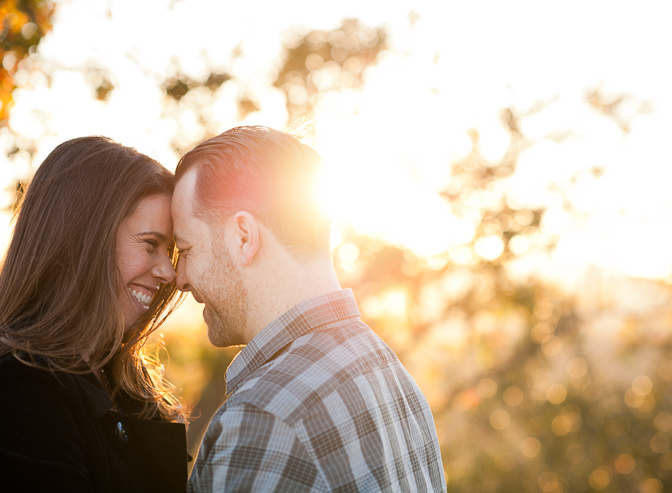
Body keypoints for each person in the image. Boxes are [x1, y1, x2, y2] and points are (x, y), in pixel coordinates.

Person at [173, 126, 446, 492]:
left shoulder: (264, 420)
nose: (180, 278)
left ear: (243, 237)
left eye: (186, 250)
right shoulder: (390, 376)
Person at [0, 136, 189, 492]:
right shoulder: (21, 389)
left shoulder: (131, 390)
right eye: (150, 245)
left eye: (171, 251)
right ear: (85, 239)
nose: (169, 272)